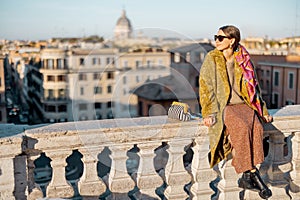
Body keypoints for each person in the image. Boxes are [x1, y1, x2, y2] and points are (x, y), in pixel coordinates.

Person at [199, 25, 273, 199]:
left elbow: (254, 88)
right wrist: (208, 113)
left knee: (256, 127)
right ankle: (253, 174)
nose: (216, 41)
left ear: (232, 41)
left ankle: (247, 177)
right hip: (223, 106)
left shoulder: (244, 58)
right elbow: (205, 87)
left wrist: (263, 111)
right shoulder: (212, 58)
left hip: (243, 104)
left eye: (220, 38)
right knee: (240, 127)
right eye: (215, 37)